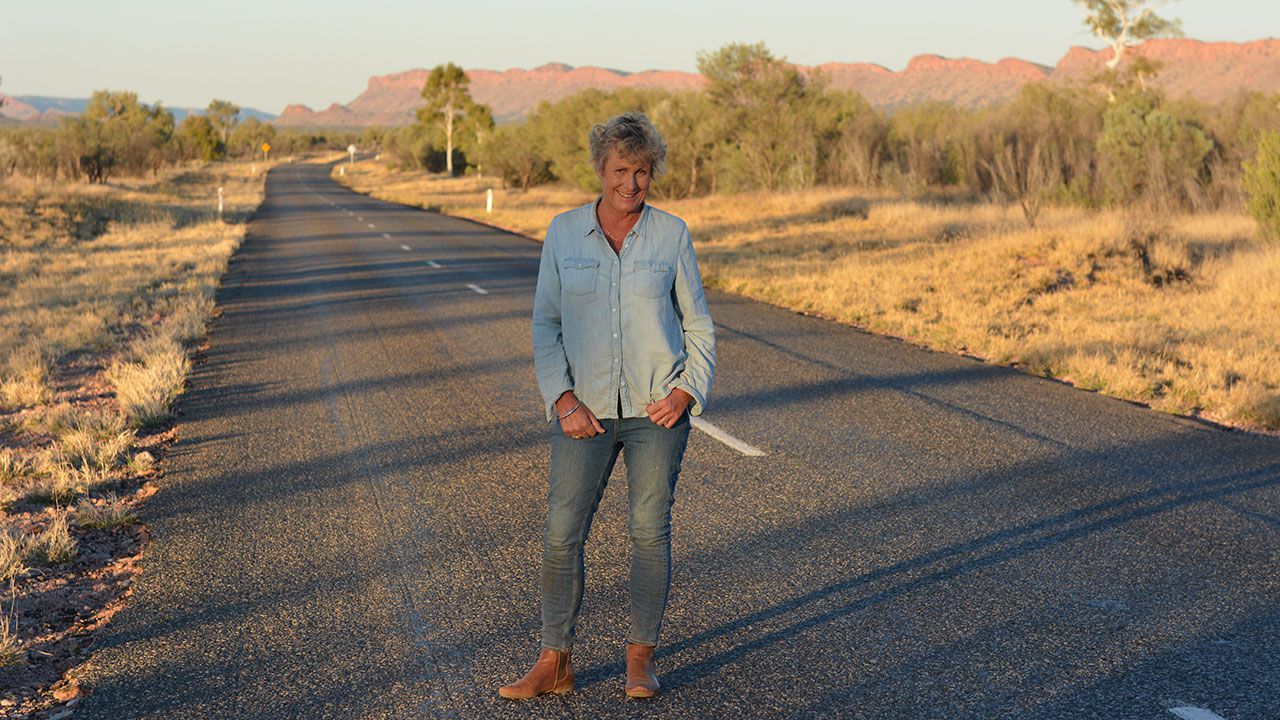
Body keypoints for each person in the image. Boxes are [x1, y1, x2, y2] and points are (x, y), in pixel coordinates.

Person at [499, 112, 716, 700]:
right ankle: (554, 662)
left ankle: (640, 659)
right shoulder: (564, 232)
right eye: (620, 170)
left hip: (656, 411)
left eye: (641, 172)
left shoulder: (671, 235)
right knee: (561, 532)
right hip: (584, 413)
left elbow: (698, 324)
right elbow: (545, 324)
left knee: (649, 530)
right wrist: (562, 399)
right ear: (600, 169)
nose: (630, 183)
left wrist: (686, 391)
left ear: (652, 174)